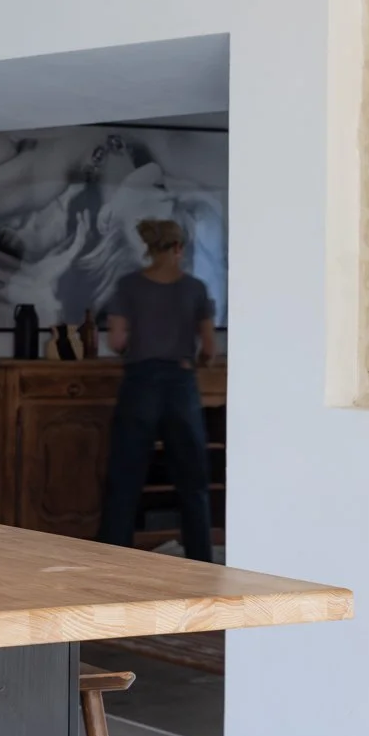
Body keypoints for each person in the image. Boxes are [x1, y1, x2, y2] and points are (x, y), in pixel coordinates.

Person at [97, 218, 218, 563]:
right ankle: (200, 561)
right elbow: (209, 347)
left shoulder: (128, 286)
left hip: (140, 384)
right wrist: (197, 360)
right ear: (179, 249)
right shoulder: (194, 289)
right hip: (180, 385)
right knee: (193, 483)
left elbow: (117, 339)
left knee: (125, 480)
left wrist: (137, 347)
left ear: (149, 249)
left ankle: (112, 561)